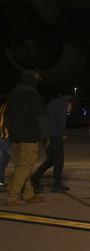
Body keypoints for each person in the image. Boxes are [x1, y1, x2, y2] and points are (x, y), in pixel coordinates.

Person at [4, 71, 47, 205]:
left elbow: (6, 116)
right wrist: (47, 134)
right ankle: (12, 197)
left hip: (15, 136)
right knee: (25, 166)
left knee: (22, 166)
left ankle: (28, 194)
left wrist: (10, 132)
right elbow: (41, 118)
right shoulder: (34, 96)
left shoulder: (12, 95)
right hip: (28, 136)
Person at [31, 95, 76, 193]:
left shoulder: (55, 103)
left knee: (51, 160)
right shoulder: (62, 106)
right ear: (70, 104)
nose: (69, 111)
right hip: (55, 135)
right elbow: (61, 122)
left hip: (48, 134)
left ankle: (35, 179)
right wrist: (63, 134)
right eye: (70, 108)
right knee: (59, 161)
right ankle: (56, 185)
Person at [0, 95, 10, 191]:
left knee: (3, 160)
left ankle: (1, 182)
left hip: (3, 137)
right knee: (20, 161)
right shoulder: (7, 108)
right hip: (4, 137)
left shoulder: (2, 107)